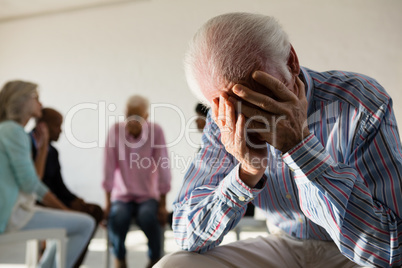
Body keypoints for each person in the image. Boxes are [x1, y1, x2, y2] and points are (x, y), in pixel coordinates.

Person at [156, 12, 402, 268]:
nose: (252, 119)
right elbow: (186, 235)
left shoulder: (359, 101)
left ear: (291, 61)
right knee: (174, 265)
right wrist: (246, 173)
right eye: (236, 108)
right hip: (284, 242)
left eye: (263, 99)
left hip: (351, 252)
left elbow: (390, 248)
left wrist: (301, 148)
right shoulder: (223, 120)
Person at [0, 80, 95, 268]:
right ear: (22, 101)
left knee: (74, 223)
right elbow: (31, 184)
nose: (40, 104)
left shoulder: (8, 130)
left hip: (15, 210)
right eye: (36, 98)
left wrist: (43, 148)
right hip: (11, 215)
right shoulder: (14, 131)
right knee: (85, 224)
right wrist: (64, 210)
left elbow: (33, 181)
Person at [102, 95, 171, 268]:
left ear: (146, 117)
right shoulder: (115, 131)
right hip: (121, 196)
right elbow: (108, 166)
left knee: (149, 217)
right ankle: (120, 259)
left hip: (148, 195)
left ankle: (155, 260)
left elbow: (164, 166)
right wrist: (107, 203)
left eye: (137, 116)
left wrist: (163, 204)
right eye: (129, 115)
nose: (132, 120)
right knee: (117, 217)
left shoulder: (156, 132)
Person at [31, 107, 104, 267]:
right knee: (82, 222)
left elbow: (59, 185)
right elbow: (34, 186)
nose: (61, 131)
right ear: (43, 126)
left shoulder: (53, 151)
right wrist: (64, 209)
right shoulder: (29, 145)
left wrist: (75, 201)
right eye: (57, 126)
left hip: (52, 199)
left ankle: (56, 263)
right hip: (37, 203)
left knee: (94, 211)